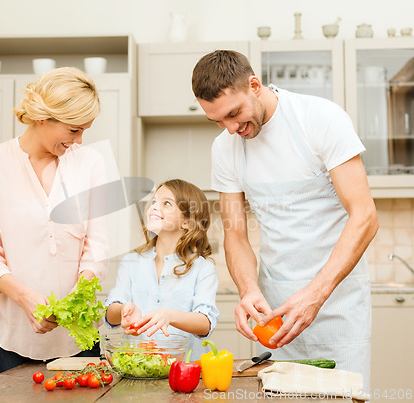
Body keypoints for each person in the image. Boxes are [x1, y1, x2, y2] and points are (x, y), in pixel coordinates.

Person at [191, 50, 378, 387]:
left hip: (337, 305)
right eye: (218, 121)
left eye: (234, 114)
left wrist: (315, 295)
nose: (231, 129)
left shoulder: (320, 119)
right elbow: (235, 235)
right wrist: (247, 290)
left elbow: (364, 215)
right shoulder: (225, 148)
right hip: (274, 315)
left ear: (254, 85)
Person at [0, 67, 109, 374]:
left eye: (85, 130)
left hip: (78, 335)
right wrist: (26, 299)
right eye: (74, 130)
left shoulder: (91, 163)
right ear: (43, 118)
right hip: (11, 335)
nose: (80, 140)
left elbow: (97, 246)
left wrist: (80, 293)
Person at [104, 179, 220, 361]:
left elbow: (205, 322)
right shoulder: (131, 262)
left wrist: (169, 315)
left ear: (187, 223)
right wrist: (123, 310)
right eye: (154, 202)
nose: (155, 207)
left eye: (166, 203)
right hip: (137, 368)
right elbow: (111, 315)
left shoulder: (203, 269)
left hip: (184, 371)